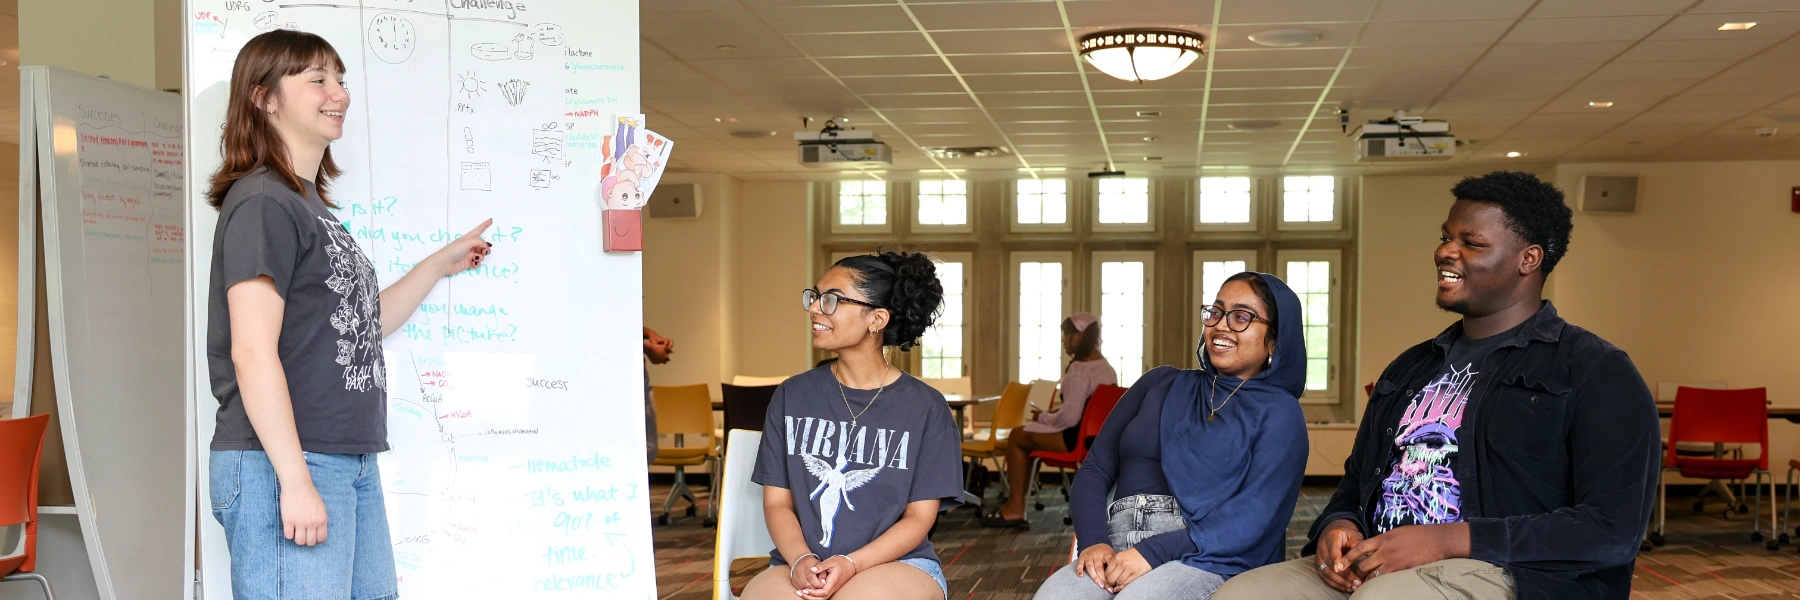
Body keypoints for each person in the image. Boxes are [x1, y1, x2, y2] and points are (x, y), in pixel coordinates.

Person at [1214, 171, 1658, 600]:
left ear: (1529, 259)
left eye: (1471, 242)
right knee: (1241, 593)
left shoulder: (1594, 369)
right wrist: (1339, 523)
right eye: (1446, 236)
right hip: (1375, 559)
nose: (1446, 251)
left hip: (1508, 573)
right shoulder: (1410, 367)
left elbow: (1612, 529)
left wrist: (1449, 540)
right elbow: (1355, 484)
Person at [205, 30, 493, 599]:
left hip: (345, 461)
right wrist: (294, 478)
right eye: (317, 80)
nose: (338, 93)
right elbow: (252, 350)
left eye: (340, 79)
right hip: (285, 462)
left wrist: (438, 265)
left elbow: (361, 326)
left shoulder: (308, 206)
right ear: (263, 98)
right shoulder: (264, 202)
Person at [1034, 272, 1309, 600]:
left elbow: (1254, 515)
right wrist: (1094, 542)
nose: (1221, 325)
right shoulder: (1159, 382)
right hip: (1113, 544)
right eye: (1216, 312)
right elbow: (1095, 469)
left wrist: (1152, 552)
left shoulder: (1280, 411)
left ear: (1274, 341)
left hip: (1205, 553)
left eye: (1241, 317)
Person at [743, 252, 964, 600]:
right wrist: (801, 558)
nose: (815, 307)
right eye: (814, 296)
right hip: (797, 563)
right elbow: (777, 504)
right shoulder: (792, 395)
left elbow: (919, 519)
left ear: (876, 318)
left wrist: (852, 563)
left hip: (897, 564)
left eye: (831, 299)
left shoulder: (926, 407)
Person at [983, 312, 1117, 528]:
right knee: (1028, 436)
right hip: (1098, 440)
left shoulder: (1079, 370)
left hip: (1075, 441)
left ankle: (1015, 507)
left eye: (1066, 334)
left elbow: (1071, 417)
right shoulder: (1106, 367)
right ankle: (1018, 500)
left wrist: (1043, 417)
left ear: (1079, 336)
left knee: (1017, 436)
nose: (1063, 341)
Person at [644, 327, 675, 463]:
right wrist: (648, 348)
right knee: (646, 448)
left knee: (649, 448)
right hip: (617, 383)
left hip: (638, 380)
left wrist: (649, 333)